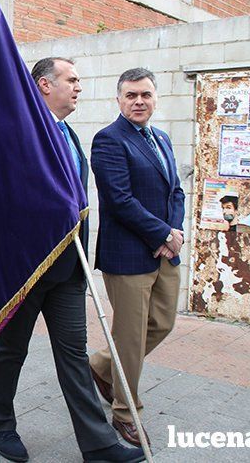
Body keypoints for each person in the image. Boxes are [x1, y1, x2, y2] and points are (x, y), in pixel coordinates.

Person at [0, 57, 143, 463]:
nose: (78, 87)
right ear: (43, 85)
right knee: (11, 351)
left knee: (73, 353)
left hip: (68, 270)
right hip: (26, 268)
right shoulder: (19, 134)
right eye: (71, 80)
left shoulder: (69, 135)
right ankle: (2, 426)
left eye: (79, 81)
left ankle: (98, 444)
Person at [89, 67, 186, 447]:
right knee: (129, 338)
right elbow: (119, 199)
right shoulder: (109, 140)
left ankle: (98, 365)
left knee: (162, 323)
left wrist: (172, 233)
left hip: (165, 251)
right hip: (128, 256)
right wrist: (162, 233)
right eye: (131, 96)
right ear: (119, 100)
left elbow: (174, 191)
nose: (139, 101)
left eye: (145, 94)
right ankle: (125, 412)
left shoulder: (161, 138)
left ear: (155, 97)